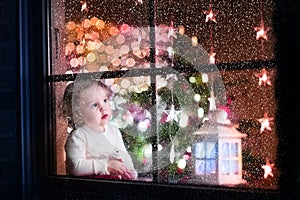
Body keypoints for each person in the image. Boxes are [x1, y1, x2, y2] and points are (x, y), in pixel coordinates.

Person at [62, 78, 137, 180]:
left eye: (105, 100)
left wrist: (130, 171)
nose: (103, 108)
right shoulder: (79, 136)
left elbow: (124, 155)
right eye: (94, 105)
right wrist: (106, 166)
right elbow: (75, 167)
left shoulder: (113, 131)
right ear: (79, 113)